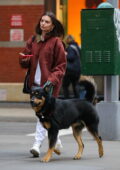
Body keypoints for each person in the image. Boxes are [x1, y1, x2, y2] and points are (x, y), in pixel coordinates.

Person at [19, 12, 66, 157]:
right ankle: (57, 141)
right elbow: (24, 61)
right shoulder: (33, 40)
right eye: (41, 21)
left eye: (46, 22)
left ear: (52, 26)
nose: (43, 23)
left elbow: (61, 66)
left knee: (42, 114)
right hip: (35, 85)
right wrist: (24, 59)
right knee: (45, 115)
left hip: (49, 86)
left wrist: (51, 81)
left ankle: (36, 144)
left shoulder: (56, 42)